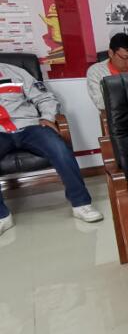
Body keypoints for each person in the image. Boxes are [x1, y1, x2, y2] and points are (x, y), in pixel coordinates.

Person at [0, 62, 103, 234]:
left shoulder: (16, 72)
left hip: (29, 126)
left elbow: (44, 97)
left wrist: (47, 118)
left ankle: (81, 204)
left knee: (60, 149)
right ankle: (2, 216)